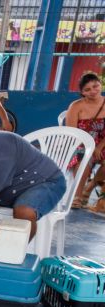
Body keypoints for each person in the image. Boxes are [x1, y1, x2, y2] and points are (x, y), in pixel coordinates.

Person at [65, 71, 105, 209]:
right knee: (83, 158)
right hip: (81, 142)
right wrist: (89, 147)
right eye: (87, 89)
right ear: (82, 92)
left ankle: (91, 186)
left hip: (102, 142)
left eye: (95, 86)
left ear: (100, 85)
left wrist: (99, 147)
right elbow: (71, 132)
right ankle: (78, 195)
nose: (93, 91)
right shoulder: (76, 106)